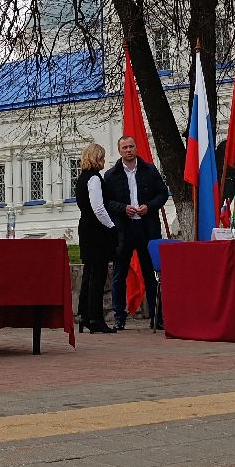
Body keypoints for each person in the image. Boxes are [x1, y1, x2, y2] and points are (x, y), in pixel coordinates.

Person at [102, 134, 169, 329]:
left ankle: (157, 317)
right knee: (119, 273)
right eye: (125, 148)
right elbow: (106, 202)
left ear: (136, 148)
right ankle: (119, 317)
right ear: (120, 150)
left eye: (131, 146)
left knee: (151, 273)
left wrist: (149, 206)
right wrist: (123, 208)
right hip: (124, 229)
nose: (129, 150)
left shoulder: (149, 170)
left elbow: (162, 194)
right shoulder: (111, 175)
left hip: (147, 228)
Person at [74, 142, 118, 333]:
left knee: (88, 274)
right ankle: (96, 318)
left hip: (85, 228)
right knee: (98, 275)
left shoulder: (81, 178)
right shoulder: (94, 179)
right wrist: (112, 226)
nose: (104, 161)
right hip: (96, 231)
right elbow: (98, 208)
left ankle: (84, 314)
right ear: (96, 158)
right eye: (102, 157)